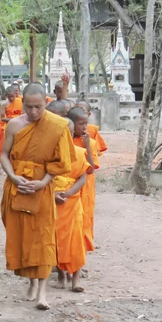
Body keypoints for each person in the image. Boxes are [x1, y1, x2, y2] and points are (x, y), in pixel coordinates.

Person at [0, 83, 75, 310]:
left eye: (39, 107)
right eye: (30, 107)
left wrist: (43, 182)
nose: (34, 112)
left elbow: (62, 162)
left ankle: (43, 293)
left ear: (46, 103)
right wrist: (13, 177)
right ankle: (31, 282)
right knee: (23, 237)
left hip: (42, 189)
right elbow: (4, 155)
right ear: (22, 103)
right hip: (17, 188)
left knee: (43, 239)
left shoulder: (56, 126)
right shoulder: (14, 125)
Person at [46, 101, 90, 292]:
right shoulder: (51, 154)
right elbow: (46, 178)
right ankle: (62, 277)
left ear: (72, 135)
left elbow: (83, 178)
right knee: (57, 240)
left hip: (73, 203)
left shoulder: (80, 153)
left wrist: (69, 193)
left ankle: (76, 279)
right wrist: (55, 194)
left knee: (75, 240)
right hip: (55, 203)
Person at [67, 107, 98, 253]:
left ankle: (80, 259)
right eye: (81, 124)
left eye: (86, 123)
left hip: (84, 188)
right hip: (67, 186)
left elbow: (91, 169)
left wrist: (87, 148)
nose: (85, 127)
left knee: (83, 222)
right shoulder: (64, 141)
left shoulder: (90, 143)